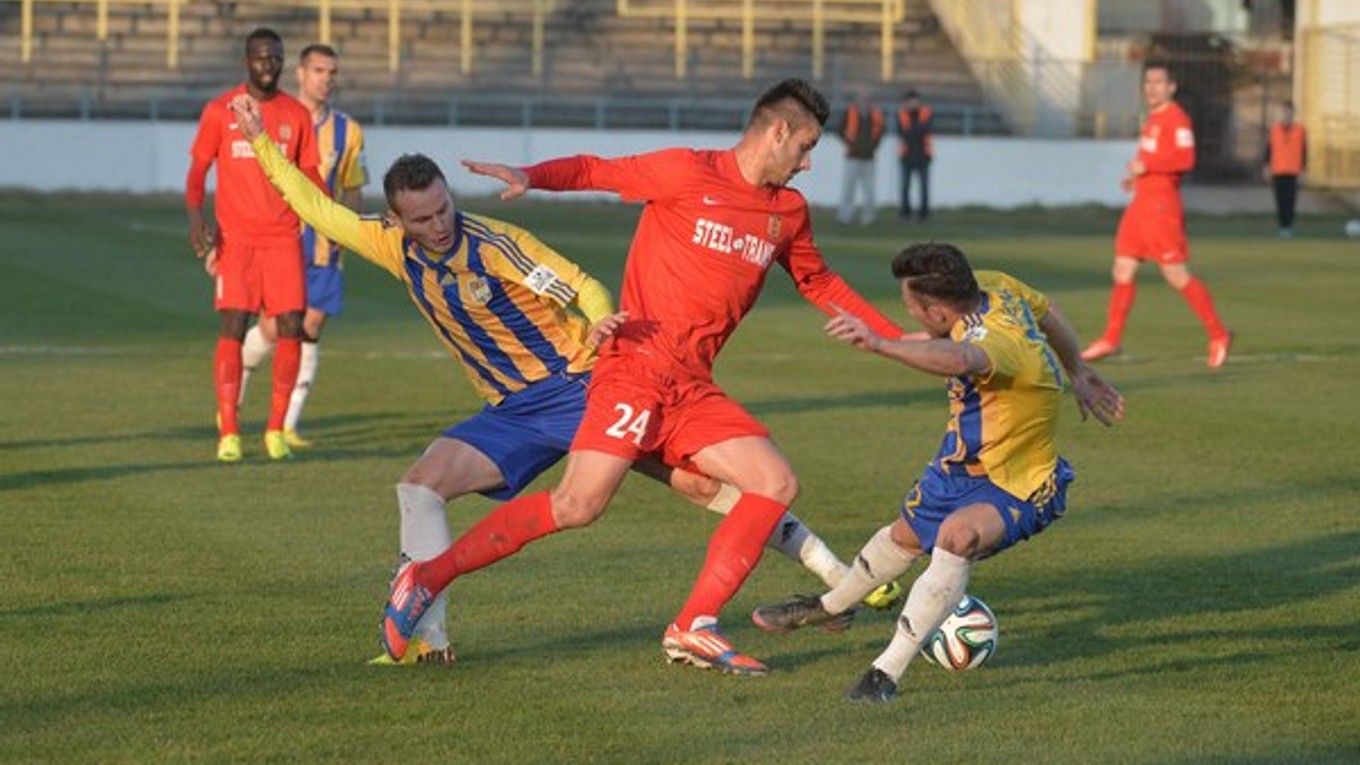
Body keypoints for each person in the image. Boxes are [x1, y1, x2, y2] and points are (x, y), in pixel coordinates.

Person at [227, 91, 896, 666]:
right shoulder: (391, 244)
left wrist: (601, 319)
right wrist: (261, 144)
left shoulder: (497, 244)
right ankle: (426, 628)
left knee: (708, 485)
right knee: (424, 485)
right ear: (396, 221)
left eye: (444, 210)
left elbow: (579, 283)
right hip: (522, 405)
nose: (437, 225)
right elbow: (320, 211)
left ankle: (817, 584)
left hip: (582, 382)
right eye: (422, 218)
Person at [751, 241, 1126, 703]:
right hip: (960, 464)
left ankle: (885, 674)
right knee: (903, 538)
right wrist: (1079, 370)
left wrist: (879, 344)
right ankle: (829, 608)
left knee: (956, 537)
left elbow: (962, 359)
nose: (908, 312)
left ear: (936, 311)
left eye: (911, 306)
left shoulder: (997, 346)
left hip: (1021, 482)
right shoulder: (993, 285)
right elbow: (1047, 312)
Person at [186, 27, 324, 463]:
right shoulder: (219, 110)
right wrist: (197, 220)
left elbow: (310, 173)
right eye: (262, 57)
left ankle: (275, 430)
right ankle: (229, 430)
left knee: (291, 327)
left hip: (283, 238)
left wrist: (328, 213)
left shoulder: (295, 114)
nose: (270, 64)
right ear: (247, 61)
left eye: (276, 57)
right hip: (237, 240)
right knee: (233, 325)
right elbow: (198, 171)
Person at [239, 43, 368, 449]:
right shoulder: (273, 115)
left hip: (326, 242)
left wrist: (352, 231)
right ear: (300, 73)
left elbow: (352, 187)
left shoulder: (348, 131)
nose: (326, 79)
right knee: (274, 327)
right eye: (318, 71)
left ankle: (286, 425)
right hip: (281, 238)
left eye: (332, 72)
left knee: (310, 327)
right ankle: (235, 385)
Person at [1081, 61, 1233, 369]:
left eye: (1158, 82)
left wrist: (1148, 167)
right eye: (1148, 82)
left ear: (1171, 87)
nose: (1151, 87)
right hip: (1141, 203)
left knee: (1175, 273)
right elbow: (1153, 158)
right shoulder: (1153, 119)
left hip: (1161, 207)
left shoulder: (1177, 119)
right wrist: (1136, 178)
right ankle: (1111, 338)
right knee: (1122, 268)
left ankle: (1219, 335)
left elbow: (1185, 158)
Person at [835, 87, 885, 226]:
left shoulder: (876, 114)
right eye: (862, 98)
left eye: (867, 98)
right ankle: (844, 217)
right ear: (857, 100)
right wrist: (849, 144)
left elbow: (881, 130)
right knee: (848, 189)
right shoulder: (849, 112)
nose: (864, 101)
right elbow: (840, 130)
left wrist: (874, 146)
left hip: (869, 158)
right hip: (852, 157)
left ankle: (868, 218)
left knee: (869, 191)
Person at [1263, 99, 1307, 238]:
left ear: (1293, 113)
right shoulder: (1274, 130)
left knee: (1291, 200)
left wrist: (1303, 170)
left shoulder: (1300, 130)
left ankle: (1289, 225)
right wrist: (1266, 166)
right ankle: (1282, 226)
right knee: (1280, 199)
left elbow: (1304, 151)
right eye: (1285, 111)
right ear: (1282, 113)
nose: (1287, 114)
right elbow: (1269, 149)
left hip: (1293, 170)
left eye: (1289, 112)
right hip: (1278, 169)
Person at [895, 89, 933, 222]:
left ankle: (924, 213)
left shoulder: (926, 113)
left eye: (914, 100)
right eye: (910, 101)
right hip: (907, 156)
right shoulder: (902, 114)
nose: (912, 103)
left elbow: (925, 129)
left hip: (923, 156)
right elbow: (904, 133)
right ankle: (905, 212)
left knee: (924, 187)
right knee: (905, 186)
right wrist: (917, 130)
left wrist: (914, 131)